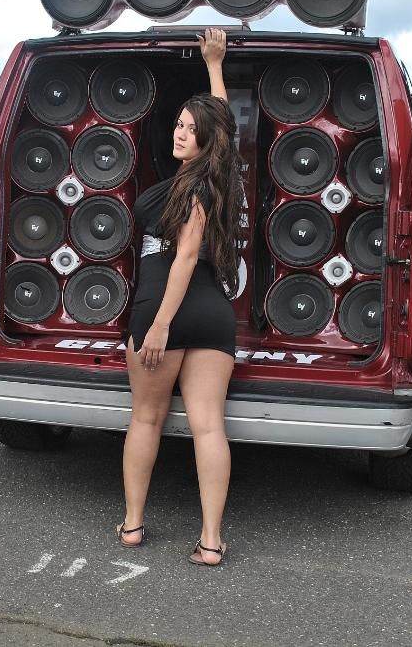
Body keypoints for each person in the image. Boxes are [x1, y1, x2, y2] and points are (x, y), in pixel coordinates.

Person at [118, 28, 245, 566]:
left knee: (146, 419)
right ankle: (211, 540)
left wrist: (161, 325)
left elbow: (186, 257)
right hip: (213, 314)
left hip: (163, 309)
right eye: (178, 124)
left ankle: (132, 525)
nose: (181, 133)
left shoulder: (192, 189)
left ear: (205, 141)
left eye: (192, 130)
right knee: (208, 426)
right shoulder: (218, 179)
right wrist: (214, 65)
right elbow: (223, 122)